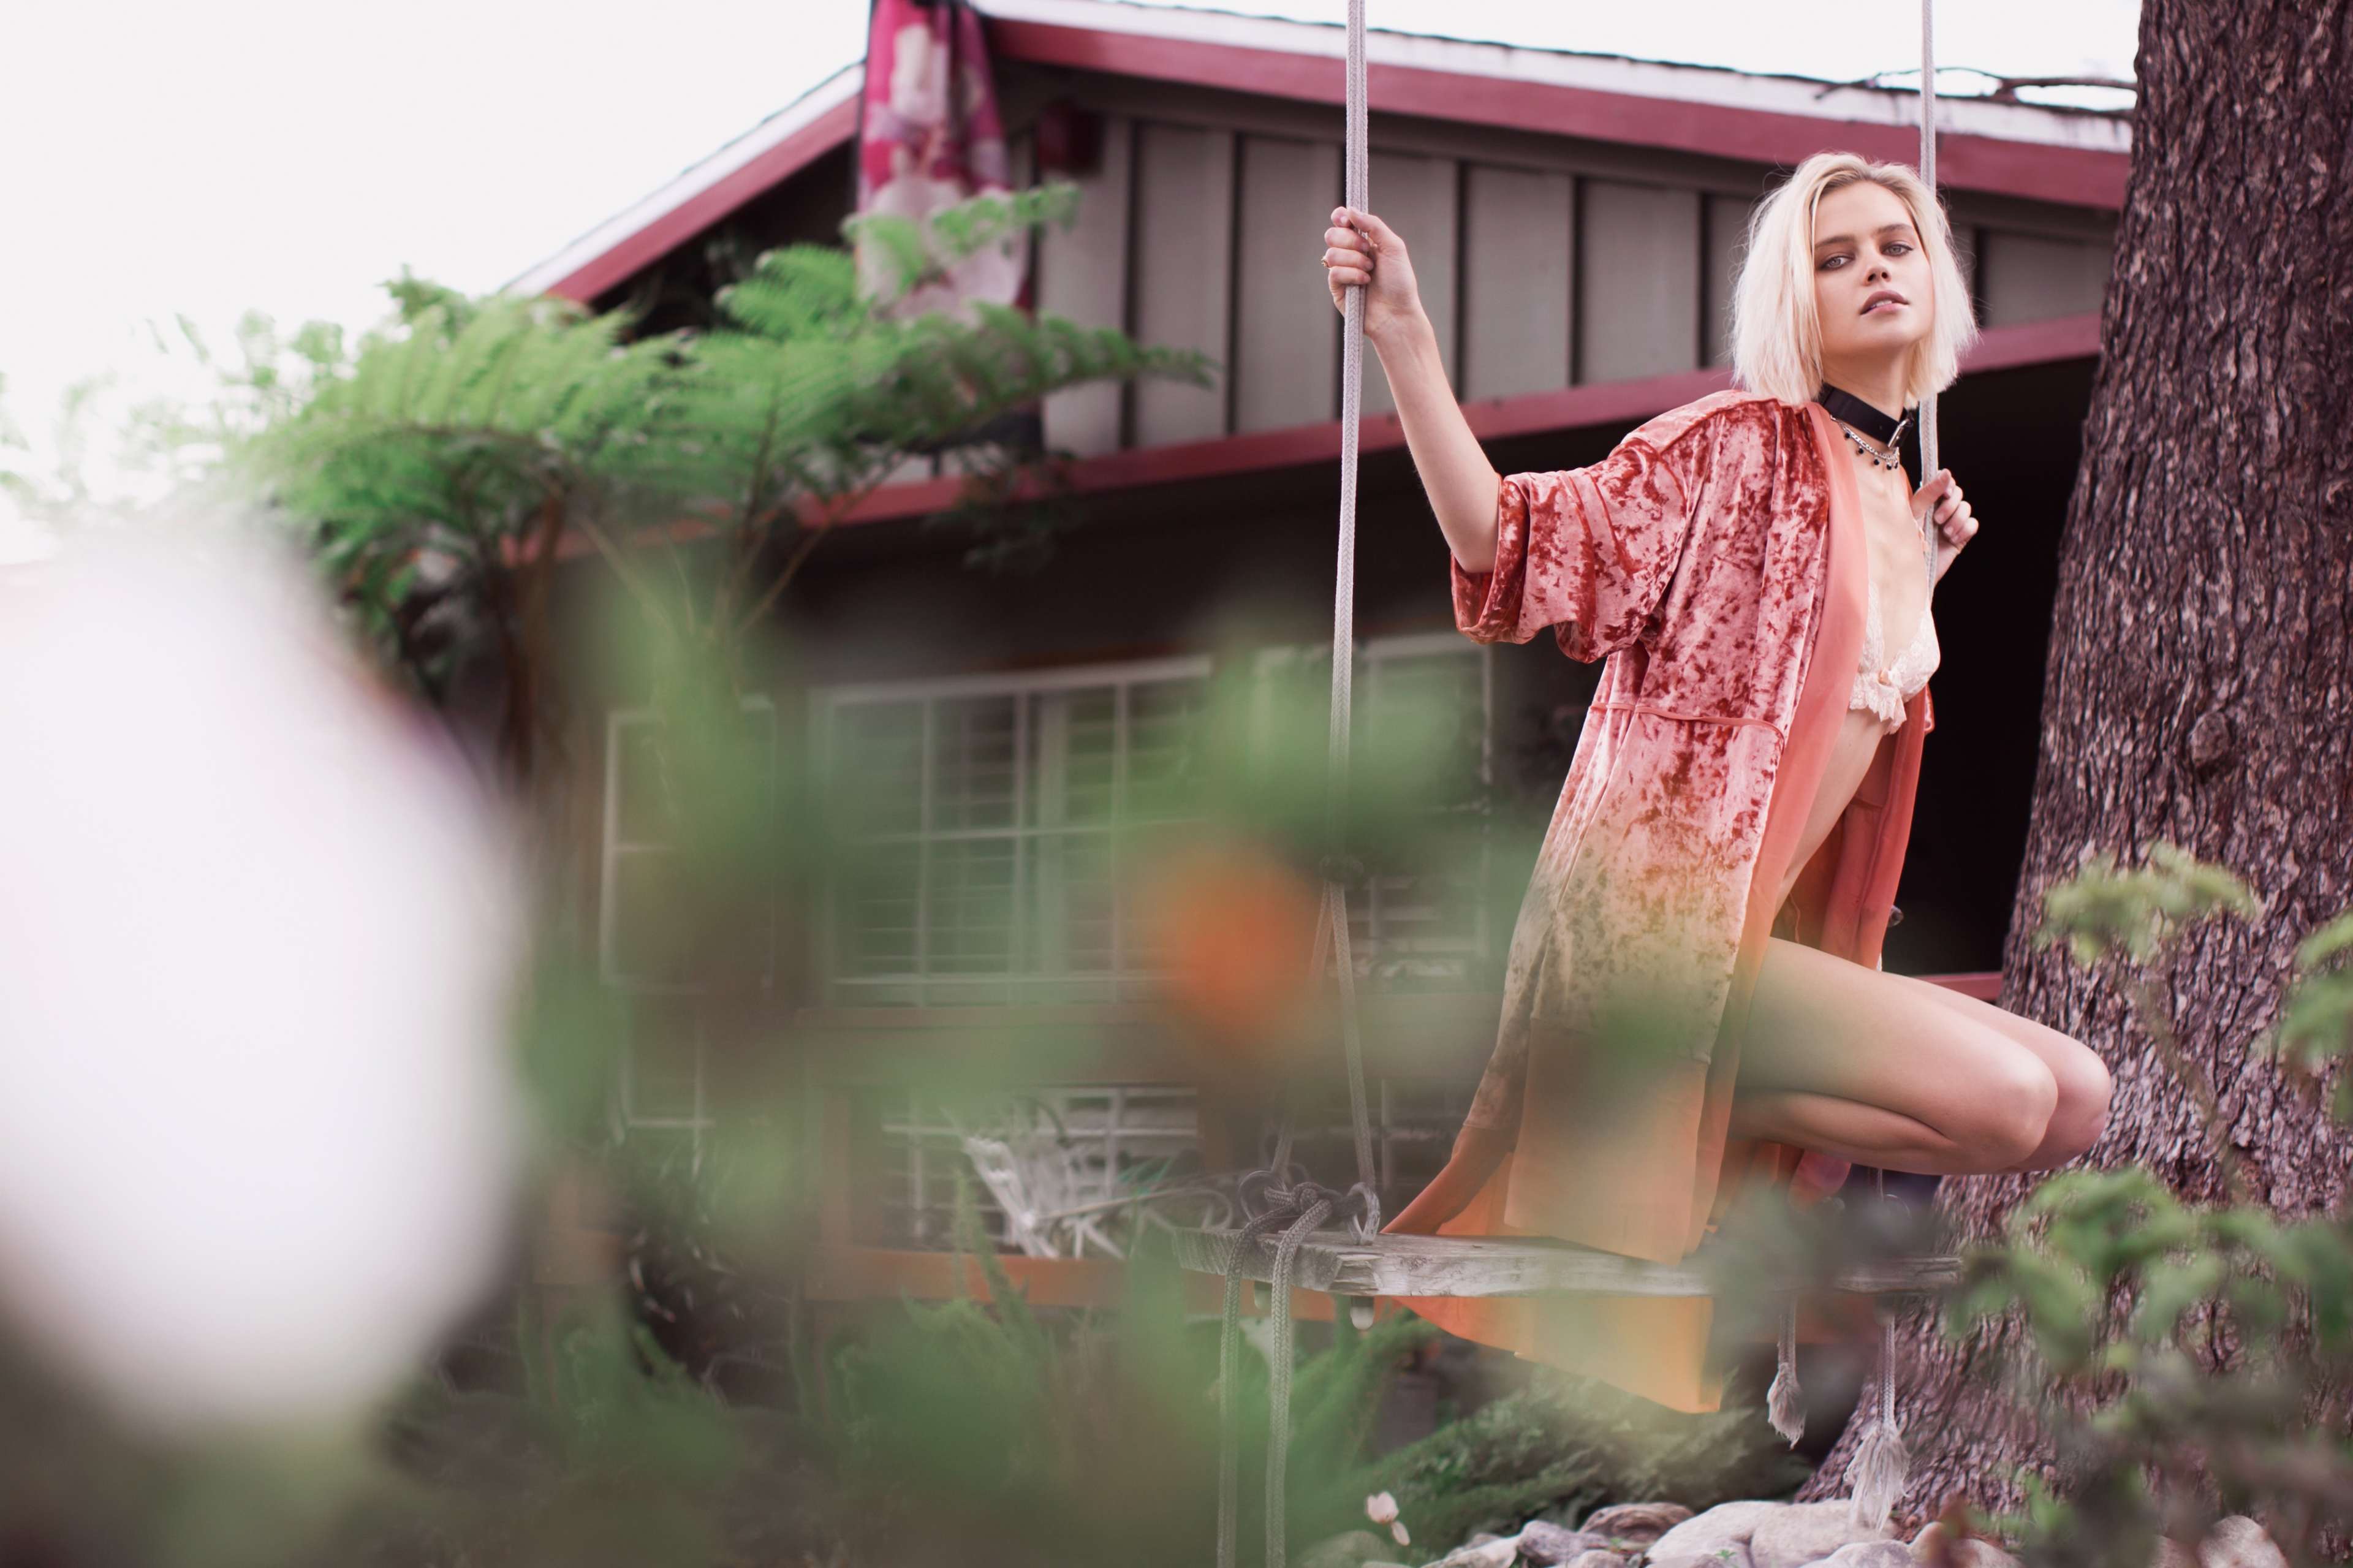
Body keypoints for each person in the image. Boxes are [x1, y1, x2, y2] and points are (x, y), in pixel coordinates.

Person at [1314, 150, 2113, 1414]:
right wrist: (1405, 334)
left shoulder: (1897, 503)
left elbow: (1822, 681)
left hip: (1761, 951)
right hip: (1660, 949)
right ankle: (1652, 1082)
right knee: (2013, 1095)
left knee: (2077, 1098)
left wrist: (1916, 577)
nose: (1873, 271)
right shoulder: (1734, 450)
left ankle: (1688, 1106)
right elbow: (1507, 545)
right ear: (1794, 300)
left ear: (1936, 271)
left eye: (1895, 246)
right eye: (1834, 257)